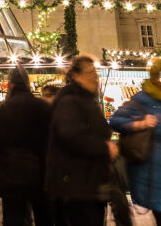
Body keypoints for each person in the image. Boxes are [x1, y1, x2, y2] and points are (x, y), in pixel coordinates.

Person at [109, 57, 161, 226]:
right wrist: (140, 123)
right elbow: (115, 120)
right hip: (153, 176)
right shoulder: (142, 99)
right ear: (155, 77)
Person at [45, 54, 116, 226]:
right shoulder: (70, 101)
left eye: (96, 72)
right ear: (76, 76)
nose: (95, 77)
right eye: (90, 72)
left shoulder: (86, 100)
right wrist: (105, 148)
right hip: (75, 186)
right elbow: (72, 136)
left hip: (89, 185)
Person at [0, 65, 52, 226]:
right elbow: (50, 140)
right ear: (28, 83)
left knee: (13, 218)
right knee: (42, 218)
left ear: (11, 84)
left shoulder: (5, 108)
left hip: (10, 176)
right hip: (38, 174)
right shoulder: (42, 106)